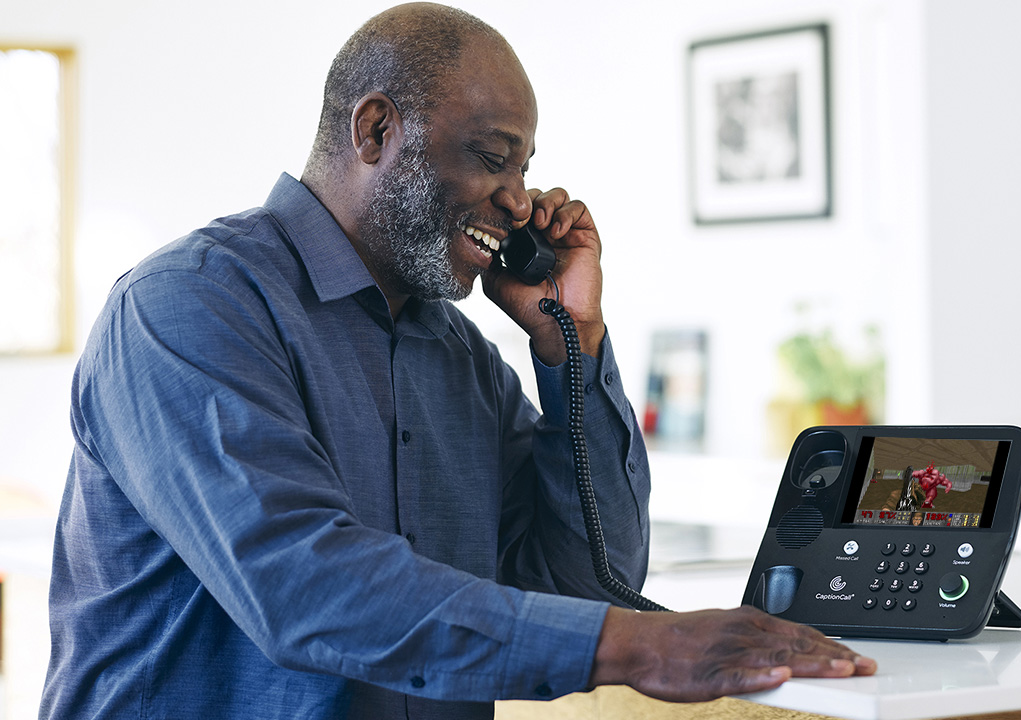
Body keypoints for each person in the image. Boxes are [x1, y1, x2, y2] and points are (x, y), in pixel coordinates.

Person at [39, 4, 875, 718]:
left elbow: (590, 582)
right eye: (491, 155)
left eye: (525, 169)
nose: (519, 202)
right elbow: (301, 583)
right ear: (375, 130)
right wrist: (639, 646)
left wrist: (569, 347)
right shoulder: (187, 308)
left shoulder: (462, 355)